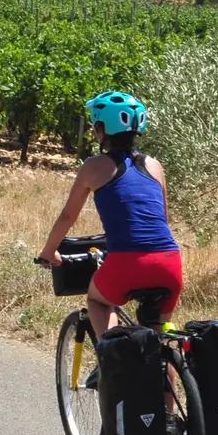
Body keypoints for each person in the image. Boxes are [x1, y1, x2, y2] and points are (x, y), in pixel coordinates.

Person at [37, 91, 183, 339]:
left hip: (127, 262)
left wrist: (49, 252)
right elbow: (162, 219)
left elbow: (67, 216)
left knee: (98, 300)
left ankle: (114, 354)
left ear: (102, 130)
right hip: (169, 263)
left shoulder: (93, 167)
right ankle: (163, 364)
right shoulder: (155, 166)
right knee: (158, 340)